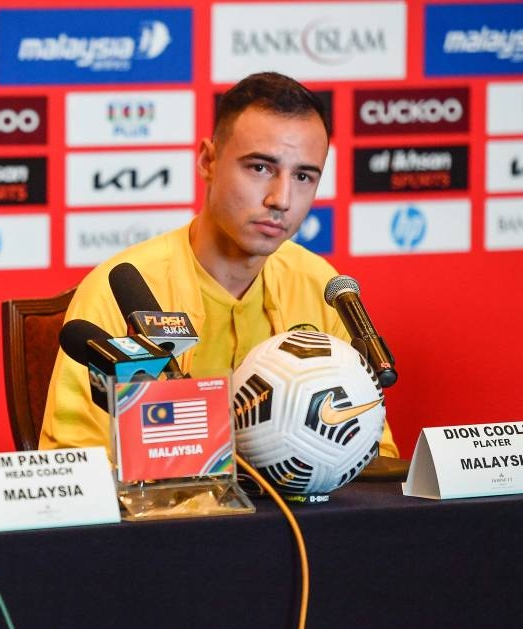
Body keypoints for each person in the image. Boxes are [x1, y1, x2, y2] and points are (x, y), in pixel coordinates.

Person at [40, 71, 398, 458]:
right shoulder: (123, 286)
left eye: (304, 176)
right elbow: (75, 458)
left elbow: (373, 452)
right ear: (208, 161)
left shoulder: (321, 285)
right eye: (260, 168)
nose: (281, 198)